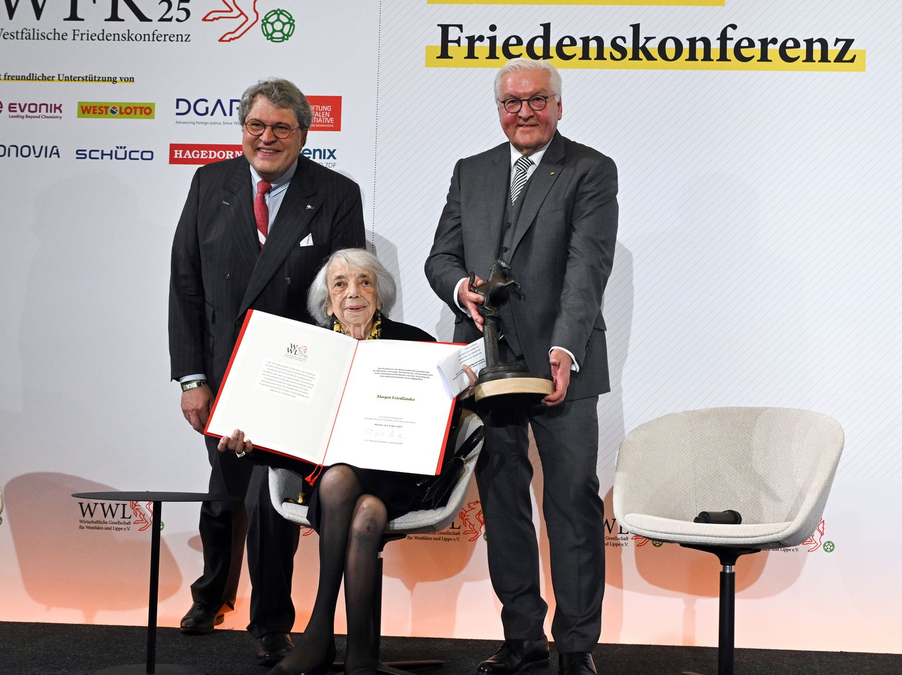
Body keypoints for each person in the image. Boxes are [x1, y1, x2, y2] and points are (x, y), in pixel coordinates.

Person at [424, 58, 618, 675]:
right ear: (499, 109)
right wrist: (461, 290)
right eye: (512, 102)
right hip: (487, 366)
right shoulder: (471, 170)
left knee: (570, 503)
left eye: (537, 100)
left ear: (559, 106)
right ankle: (522, 637)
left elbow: (588, 269)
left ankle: (578, 645)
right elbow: (440, 256)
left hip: (565, 363)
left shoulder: (590, 169)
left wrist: (565, 349)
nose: (525, 112)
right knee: (502, 502)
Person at [168, 77, 366, 666]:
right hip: (223, 374)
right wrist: (190, 378)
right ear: (243, 130)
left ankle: (272, 622)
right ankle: (212, 594)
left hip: (294, 378)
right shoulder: (210, 182)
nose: (267, 137)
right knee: (224, 493)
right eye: (257, 125)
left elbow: (344, 288)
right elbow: (185, 285)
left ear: (304, 134)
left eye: (282, 127)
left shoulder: (335, 193)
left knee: (272, 499)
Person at [218, 248, 468, 675]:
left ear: (379, 293)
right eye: (340, 284)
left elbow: (449, 419)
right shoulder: (312, 349)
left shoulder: (416, 342)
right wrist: (248, 442)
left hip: (398, 476)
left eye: (364, 282)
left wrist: (461, 390)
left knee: (341, 483)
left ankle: (318, 634)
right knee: (361, 508)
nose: (353, 292)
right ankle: (360, 655)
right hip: (332, 482)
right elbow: (284, 427)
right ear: (327, 299)